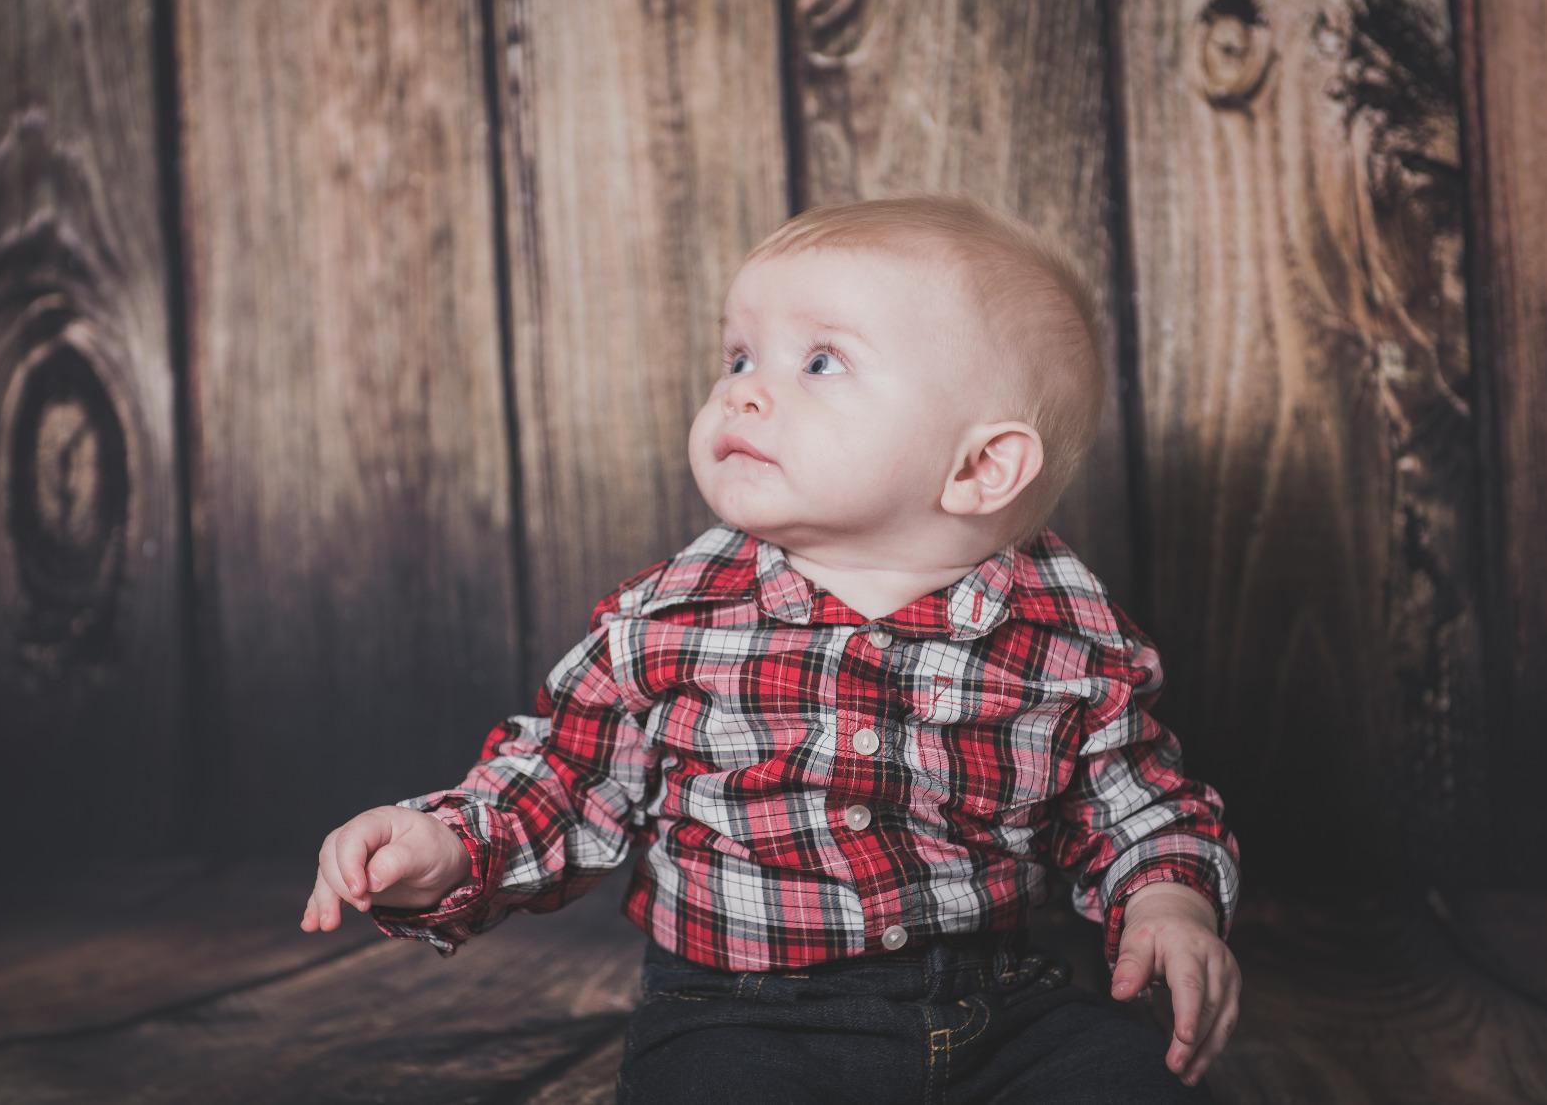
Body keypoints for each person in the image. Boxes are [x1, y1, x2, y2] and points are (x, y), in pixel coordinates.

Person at [300, 194, 1241, 1102]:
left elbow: (1130, 797)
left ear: (979, 467)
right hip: (741, 1011)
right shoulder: (669, 617)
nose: (741, 389)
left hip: (1001, 999)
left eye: (820, 362)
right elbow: (566, 778)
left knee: (1129, 1077)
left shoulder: (1064, 630)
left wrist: (1168, 899)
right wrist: (450, 846)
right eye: (739, 353)